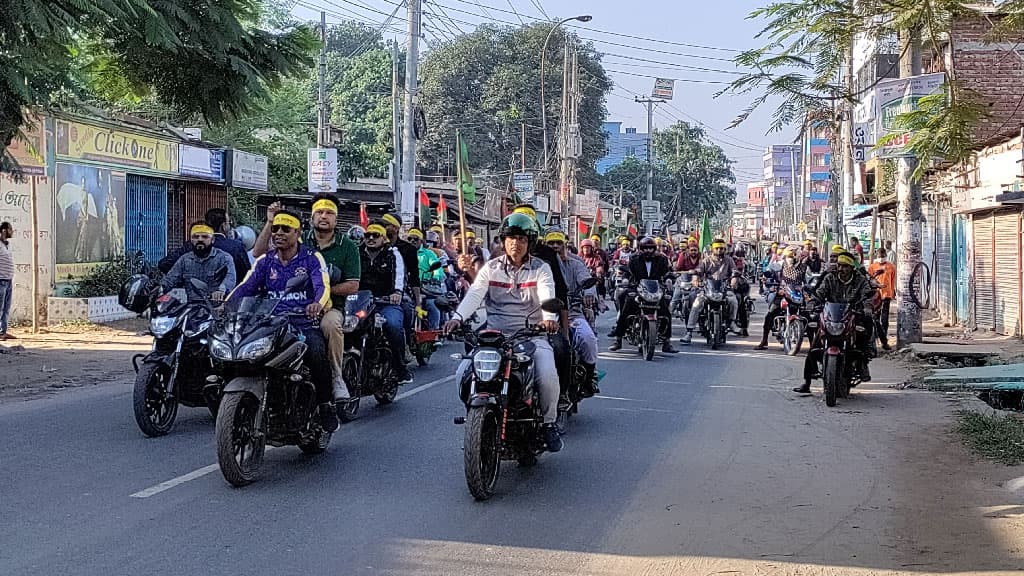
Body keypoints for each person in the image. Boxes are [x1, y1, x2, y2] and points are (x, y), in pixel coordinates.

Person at [443, 213, 564, 452]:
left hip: (531, 335)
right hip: (495, 336)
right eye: (510, 238)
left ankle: (549, 423)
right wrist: (457, 318)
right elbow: (475, 294)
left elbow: (547, 295)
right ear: (503, 240)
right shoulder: (491, 268)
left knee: (548, 374)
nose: (514, 244)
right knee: (462, 373)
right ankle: (478, 419)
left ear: (530, 241)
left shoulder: (541, 269)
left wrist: (549, 319)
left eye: (520, 238)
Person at [228, 210, 337, 432]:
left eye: (285, 229)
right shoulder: (264, 261)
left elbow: (322, 286)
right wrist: (226, 306)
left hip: (302, 323)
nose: (278, 233)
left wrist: (317, 303)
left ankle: (326, 404)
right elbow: (245, 287)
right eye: (275, 228)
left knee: (316, 352)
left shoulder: (311, 258)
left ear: (297, 232)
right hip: (269, 323)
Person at [303, 194, 362, 404]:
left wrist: (323, 293)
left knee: (331, 326)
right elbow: (260, 253)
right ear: (312, 217)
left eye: (329, 213)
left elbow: (353, 285)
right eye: (319, 212)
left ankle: (337, 377)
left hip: (331, 308)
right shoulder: (299, 240)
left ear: (336, 219)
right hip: (295, 305)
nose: (323, 216)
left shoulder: (348, 247)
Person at [796, 252, 876, 393]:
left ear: (852, 267)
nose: (841, 268)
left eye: (845, 266)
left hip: (852, 314)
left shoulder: (860, 280)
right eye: (839, 265)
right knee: (814, 344)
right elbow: (820, 293)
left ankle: (862, 363)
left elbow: (867, 295)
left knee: (865, 328)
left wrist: (867, 307)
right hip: (831, 315)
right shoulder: (830, 278)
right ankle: (807, 382)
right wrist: (812, 302)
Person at [546, 231, 600, 396]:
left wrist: (589, 293)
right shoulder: (539, 264)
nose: (555, 246)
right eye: (551, 243)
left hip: (572, 314)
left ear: (565, 244)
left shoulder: (576, 264)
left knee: (588, 339)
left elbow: (585, 280)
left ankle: (589, 378)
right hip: (543, 317)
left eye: (558, 243)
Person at [359, 222, 413, 384]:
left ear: (384, 239)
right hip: (361, 302)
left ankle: (400, 367)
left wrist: (397, 292)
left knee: (392, 325)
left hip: (386, 302)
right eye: (367, 235)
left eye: (375, 235)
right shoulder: (357, 253)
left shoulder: (393, 253)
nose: (370, 238)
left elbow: (399, 274)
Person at [610, 236, 677, 353]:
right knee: (625, 305)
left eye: (651, 248)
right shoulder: (634, 259)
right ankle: (618, 339)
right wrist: (625, 280)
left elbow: (667, 273)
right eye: (646, 248)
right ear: (641, 248)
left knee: (666, 311)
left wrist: (669, 280)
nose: (648, 251)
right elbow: (627, 272)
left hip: (655, 289)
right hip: (637, 288)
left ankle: (667, 342)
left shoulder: (661, 259)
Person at [160, 207, 251, 280]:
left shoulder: (191, 245)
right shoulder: (236, 247)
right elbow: (247, 277)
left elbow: (164, 264)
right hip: (227, 299)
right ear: (223, 226)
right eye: (228, 223)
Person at [681, 238, 738, 344]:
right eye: (717, 248)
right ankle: (689, 332)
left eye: (722, 248)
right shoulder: (706, 260)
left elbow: (734, 272)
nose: (719, 250)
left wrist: (733, 281)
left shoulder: (729, 260)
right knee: (696, 304)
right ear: (712, 249)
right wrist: (695, 279)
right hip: (708, 289)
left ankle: (731, 322)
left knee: (733, 301)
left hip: (724, 288)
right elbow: (698, 271)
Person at [160, 221, 237, 299]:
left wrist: (221, 291)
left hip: (215, 307)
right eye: (196, 237)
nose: (200, 240)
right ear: (191, 240)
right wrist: (159, 290)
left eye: (205, 237)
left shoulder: (224, 258)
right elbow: (169, 280)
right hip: (190, 307)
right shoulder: (184, 260)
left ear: (212, 240)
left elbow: (230, 279)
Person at [754, 246, 807, 350]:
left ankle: (814, 344)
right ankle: (764, 340)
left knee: (810, 316)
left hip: (798, 295)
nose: (790, 258)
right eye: (788, 256)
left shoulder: (805, 267)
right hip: (782, 293)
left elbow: (809, 280)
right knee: (770, 314)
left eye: (792, 256)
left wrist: (809, 288)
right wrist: (766, 276)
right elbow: (769, 270)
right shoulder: (781, 264)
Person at [407, 228, 443, 330]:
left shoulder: (428, 253)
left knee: (432, 305)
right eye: (410, 239)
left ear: (421, 241)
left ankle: (434, 331)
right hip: (408, 288)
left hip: (425, 287)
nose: (412, 241)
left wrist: (436, 277)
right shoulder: (404, 253)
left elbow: (438, 268)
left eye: (415, 239)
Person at [868, 247, 897, 350]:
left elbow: (893, 280)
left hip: (886, 294)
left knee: (884, 317)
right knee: (875, 317)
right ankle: (875, 337)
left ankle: (884, 337)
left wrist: (893, 292)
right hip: (875, 296)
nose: (881, 258)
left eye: (883, 256)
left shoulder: (891, 267)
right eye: (880, 256)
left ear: (886, 256)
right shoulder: (872, 267)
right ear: (877, 256)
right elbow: (869, 280)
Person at [0, 221, 14, 340]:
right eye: (10, 229)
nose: (12, 231)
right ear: (4, 231)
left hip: (8, 280)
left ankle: (3, 332)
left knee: (6, 308)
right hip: (1, 281)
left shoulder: (6, 245)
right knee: (0, 308)